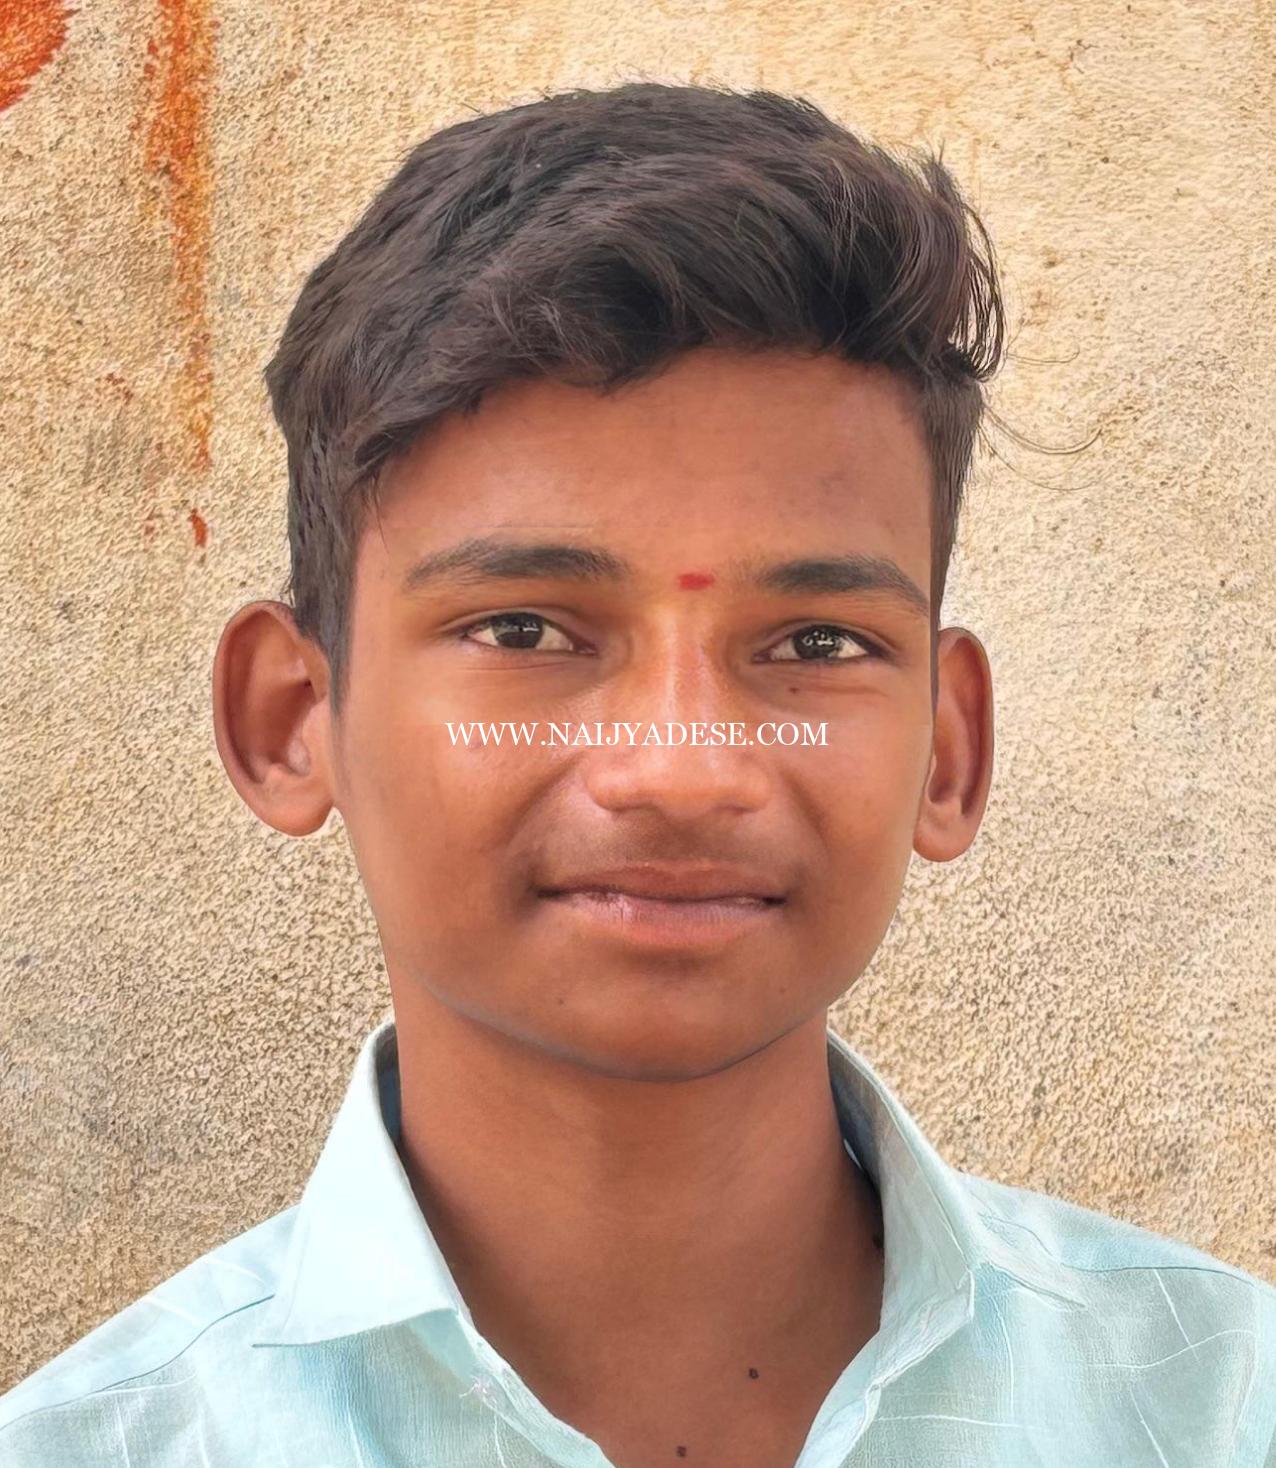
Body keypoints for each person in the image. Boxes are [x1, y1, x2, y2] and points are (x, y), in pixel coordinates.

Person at [3, 79, 1273, 1468]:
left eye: (816, 642)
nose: (682, 768)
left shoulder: (1219, 1409)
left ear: (948, 750)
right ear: (291, 720)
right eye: (525, 630)